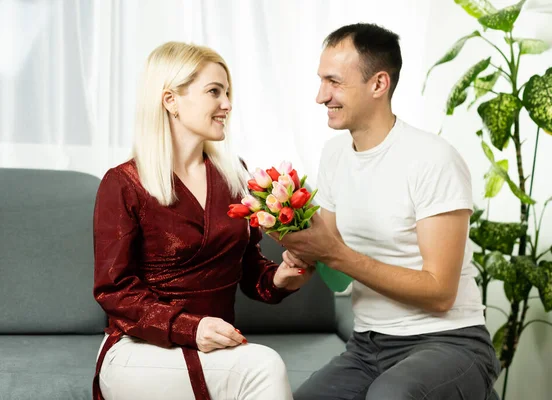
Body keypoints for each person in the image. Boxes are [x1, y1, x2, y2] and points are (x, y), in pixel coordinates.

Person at [272, 24, 501, 400]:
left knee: (391, 396)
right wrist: (298, 259)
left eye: (334, 82)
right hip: (368, 346)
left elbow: (441, 292)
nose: (320, 96)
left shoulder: (432, 159)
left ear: (378, 84)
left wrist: (333, 253)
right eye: (320, 81)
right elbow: (335, 271)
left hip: (449, 341)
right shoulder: (334, 155)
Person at [92, 41, 312, 400]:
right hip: (140, 348)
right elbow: (114, 291)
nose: (227, 104)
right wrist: (187, 327)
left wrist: (281, 277)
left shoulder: (234, 175)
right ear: (170, 100)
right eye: (214, 92)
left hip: (214, 351)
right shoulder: (123, 183)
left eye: (228, 92)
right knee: (263, 366)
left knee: (255, 366)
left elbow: (248, 266)